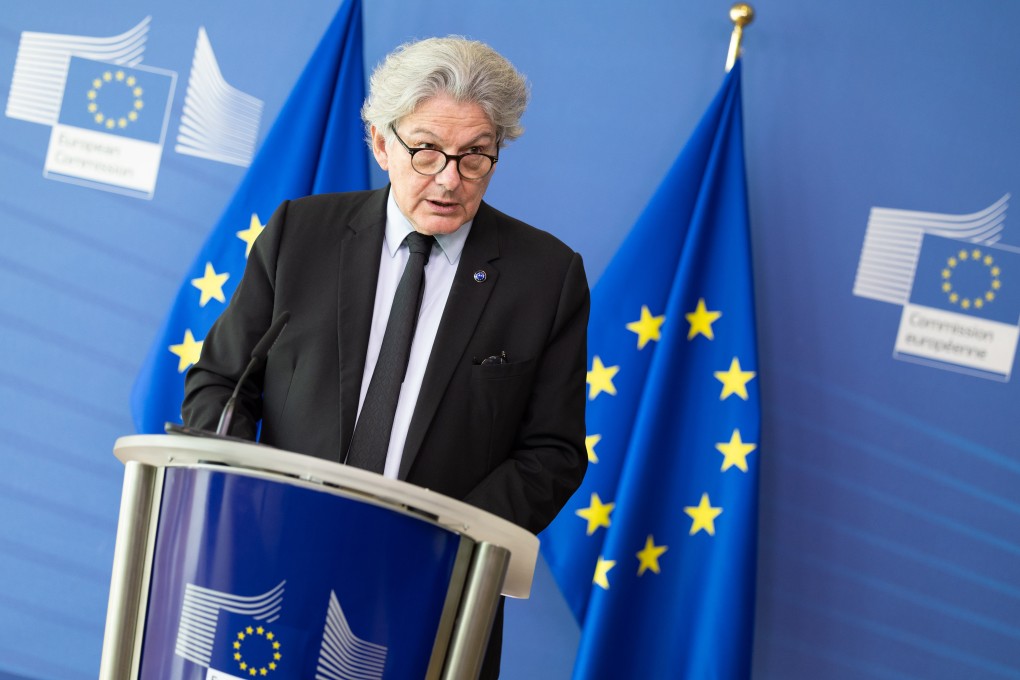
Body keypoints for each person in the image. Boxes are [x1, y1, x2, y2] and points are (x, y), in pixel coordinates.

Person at [181, 36, 589, 678]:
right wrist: (245, 497)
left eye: (475, 157)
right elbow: (220, 382)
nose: (449, 179)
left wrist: (444, 542)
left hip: (433, 593)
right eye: (426, 151)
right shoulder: (301, 233)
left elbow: (553, 452)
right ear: (380, 143)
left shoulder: (546, 277)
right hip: (273, 566)